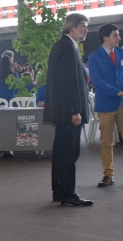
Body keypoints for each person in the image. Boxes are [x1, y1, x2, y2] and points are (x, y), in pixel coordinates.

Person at [43, 13, 93, 206]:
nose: (86, 30)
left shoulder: (63, 46)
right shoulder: (66, 46)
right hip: (68, 111)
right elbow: (68, 82)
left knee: (61, 151)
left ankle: (60, 191)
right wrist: (75, 110)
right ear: (72, 27)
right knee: (69, 152)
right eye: (83, 26)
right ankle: (67, 193)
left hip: (64, 110)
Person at [88, 24, 123, 189]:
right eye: (116, 35)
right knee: (106, 142)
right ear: (105, 37)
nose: (119, 38)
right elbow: (97, 81)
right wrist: (117, 92)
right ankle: (108, 175)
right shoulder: (94, 57)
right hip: (106, 104)